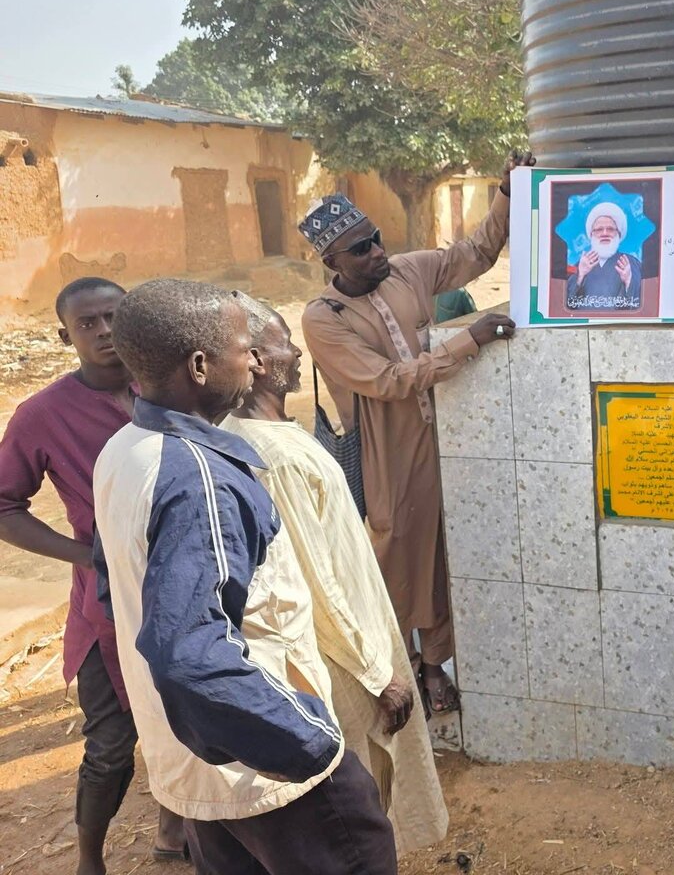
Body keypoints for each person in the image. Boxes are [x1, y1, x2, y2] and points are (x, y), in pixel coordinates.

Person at [92, 278, 395, 875]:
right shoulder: (198, 477)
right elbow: (189, 654)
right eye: (243, 347)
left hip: (203, 765)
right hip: (269, 775)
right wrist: (309, 742)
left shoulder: (127, 447)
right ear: (200, 365)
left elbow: (117, 591)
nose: (256, 360)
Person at [300, 151, 531, 715]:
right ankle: (395, 672)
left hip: (439, 438)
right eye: (361, 248)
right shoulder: (322, 316)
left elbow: (474, 253)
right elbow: (384, 380)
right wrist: (468, 340)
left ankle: (434, 665)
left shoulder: (406, 270)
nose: (377, 252)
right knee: (392, 557)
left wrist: (506, 191)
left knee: (437, 555)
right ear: (332, 259)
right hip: (385, 449)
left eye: (376, 238)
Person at [223, 291, 448, 855]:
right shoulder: (269, 454)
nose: (296, 352)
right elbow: (315, 583)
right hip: (345, 665)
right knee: (361, 803)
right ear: (251, 358)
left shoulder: (268, 436)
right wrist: (379, 674)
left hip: (353, 646)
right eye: (281, 341)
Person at [0, 277, 187, 874]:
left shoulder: (175, 386)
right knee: (110, 746)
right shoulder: (42, 414)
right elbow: (4, 502)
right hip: (106, 602)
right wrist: (86, 556)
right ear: (65, 336)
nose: (105, 331)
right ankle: (89, 859)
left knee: (190, 715)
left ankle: (173, 828)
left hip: (187, 582)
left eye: (114, 317)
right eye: (88, 324)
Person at [566, 202, 642, 311]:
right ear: (591, 235)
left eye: (610, 229)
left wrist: (628, 281)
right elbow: (567, 305)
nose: (604, 233)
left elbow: (639, 305)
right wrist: (580, 275)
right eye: (599, 229)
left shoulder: (632, 264)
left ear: (619, 235)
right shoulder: (579, 266)